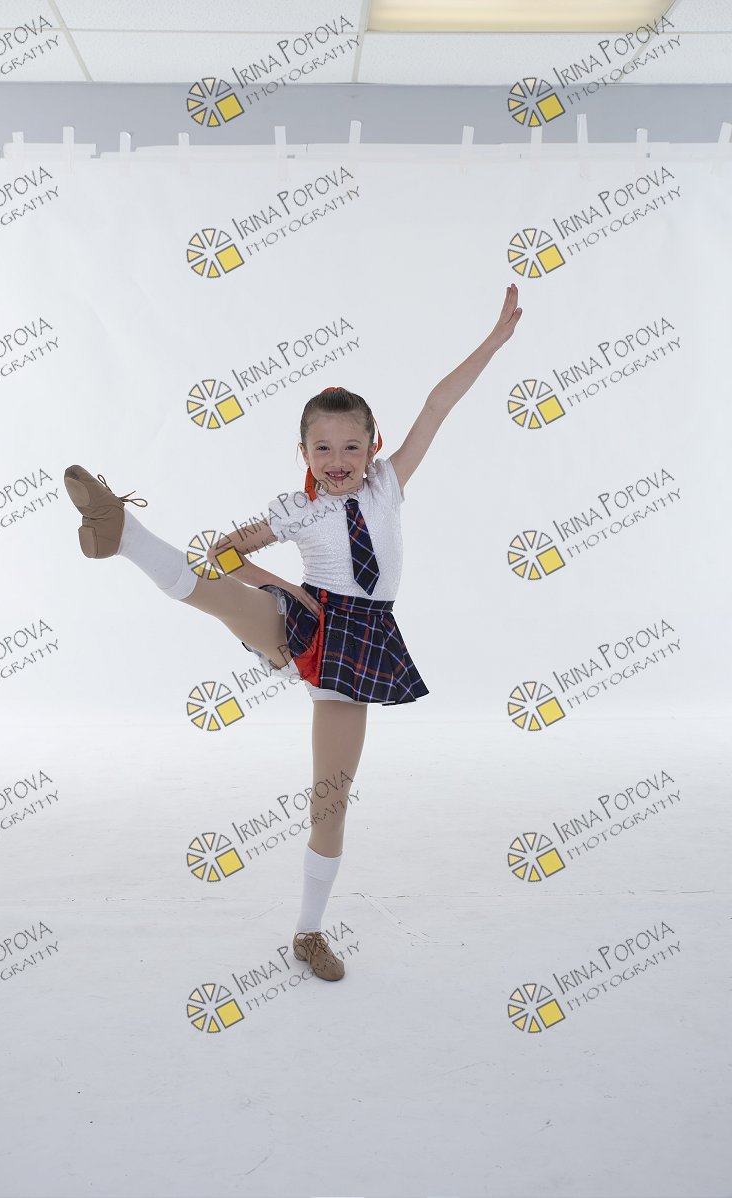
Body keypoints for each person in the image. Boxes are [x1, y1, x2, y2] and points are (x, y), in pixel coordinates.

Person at [63, 283, 523, 983]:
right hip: (307, 623)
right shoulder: (296, 510)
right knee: (219, 596)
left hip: (361, 646)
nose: (338, 459)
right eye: (322, 447)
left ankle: (308, 932)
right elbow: (223, 552)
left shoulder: (388, 485)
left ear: (373, 446)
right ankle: (123, 534)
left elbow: (438, 403)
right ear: (302, 452)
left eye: (351, 446)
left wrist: (493, 341)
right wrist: (281, 585)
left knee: (329, 799)